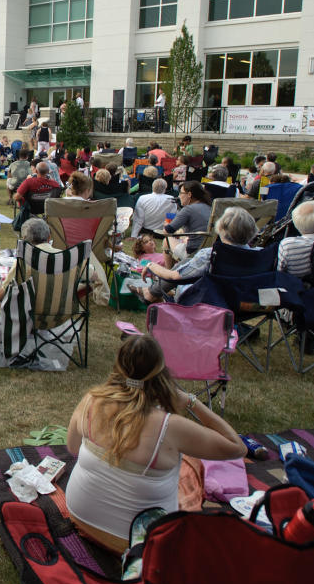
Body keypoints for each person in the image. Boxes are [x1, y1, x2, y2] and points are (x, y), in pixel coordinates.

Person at [64, 334, 245, 554]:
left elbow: (72, 447)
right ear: (161, 373)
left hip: (80, 517)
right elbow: (236, 447)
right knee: (190, 467)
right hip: (139, 542)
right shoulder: (170, 428)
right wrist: (191, 401)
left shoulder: (91, 400)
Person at [142, 206, 259, 302]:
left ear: (221, 229)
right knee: (186, 262)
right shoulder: (259, 254)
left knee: (183, 269)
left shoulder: (211, 255)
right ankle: (152, 292)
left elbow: (175, 276)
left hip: (209, 301)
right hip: (245, 302)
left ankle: (150, 293)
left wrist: (151, 266)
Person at [162, 181, 211, 260]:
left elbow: (167, 231)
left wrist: (166, 226)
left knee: (166, 241)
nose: (178, 196)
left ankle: (169, 271)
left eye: (181, 193)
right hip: (208, 251)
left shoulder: (188, 209)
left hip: (193, 252)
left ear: (189, 195)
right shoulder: (209, 208)